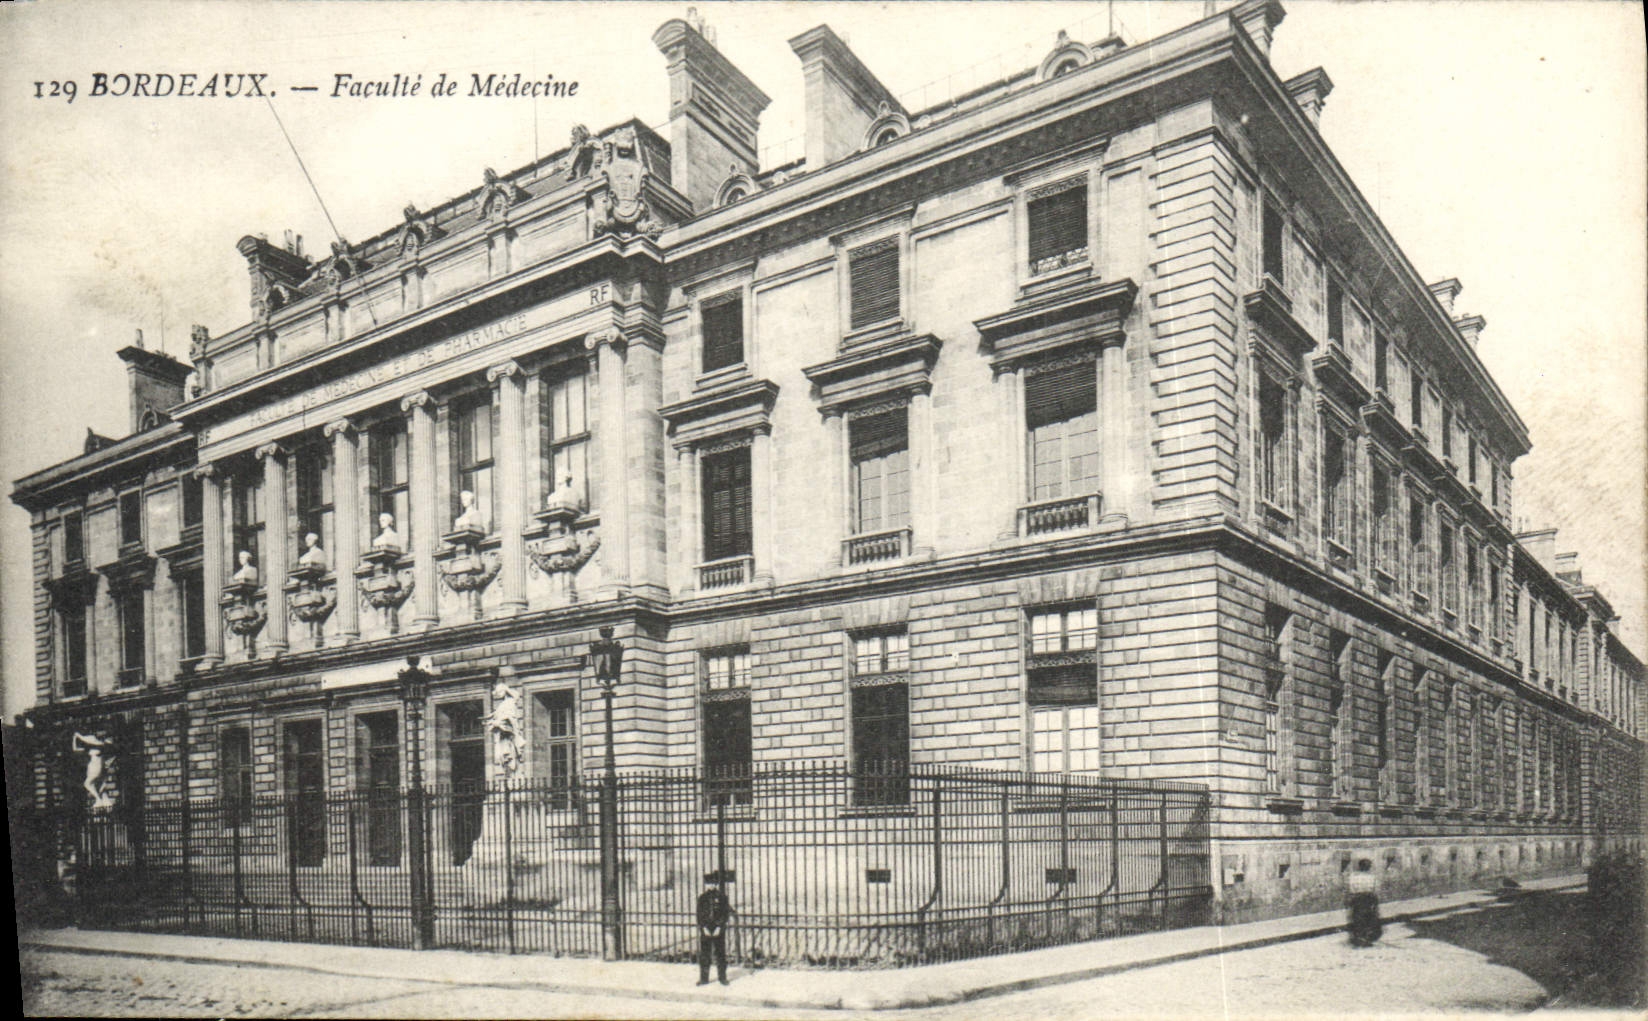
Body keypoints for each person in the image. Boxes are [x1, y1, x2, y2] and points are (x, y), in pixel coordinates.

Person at [696, 879, 731, 986]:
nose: (711, 885)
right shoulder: (702, 898)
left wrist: (719, 927)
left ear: (716, 884)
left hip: (718, 929)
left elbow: (725, 914)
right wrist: (703, 927)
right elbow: (699, 914)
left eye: (713, 883)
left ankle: (722, 978)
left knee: (720, 954)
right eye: (708, 883)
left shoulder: (722, 897)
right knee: (705, 955)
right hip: (706, 929)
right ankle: (704, 979)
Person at [1346, 857, 1382, 947]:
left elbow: (1351, 889)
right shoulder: (1372, 877)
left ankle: (1358, 938)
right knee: (1368, 918)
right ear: (1368, 867)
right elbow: (1376, 890)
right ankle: (1366, 939)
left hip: (1357, 898)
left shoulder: (1353, 877)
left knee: (1357, 918)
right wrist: (1376, 902)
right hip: (1368, 898)